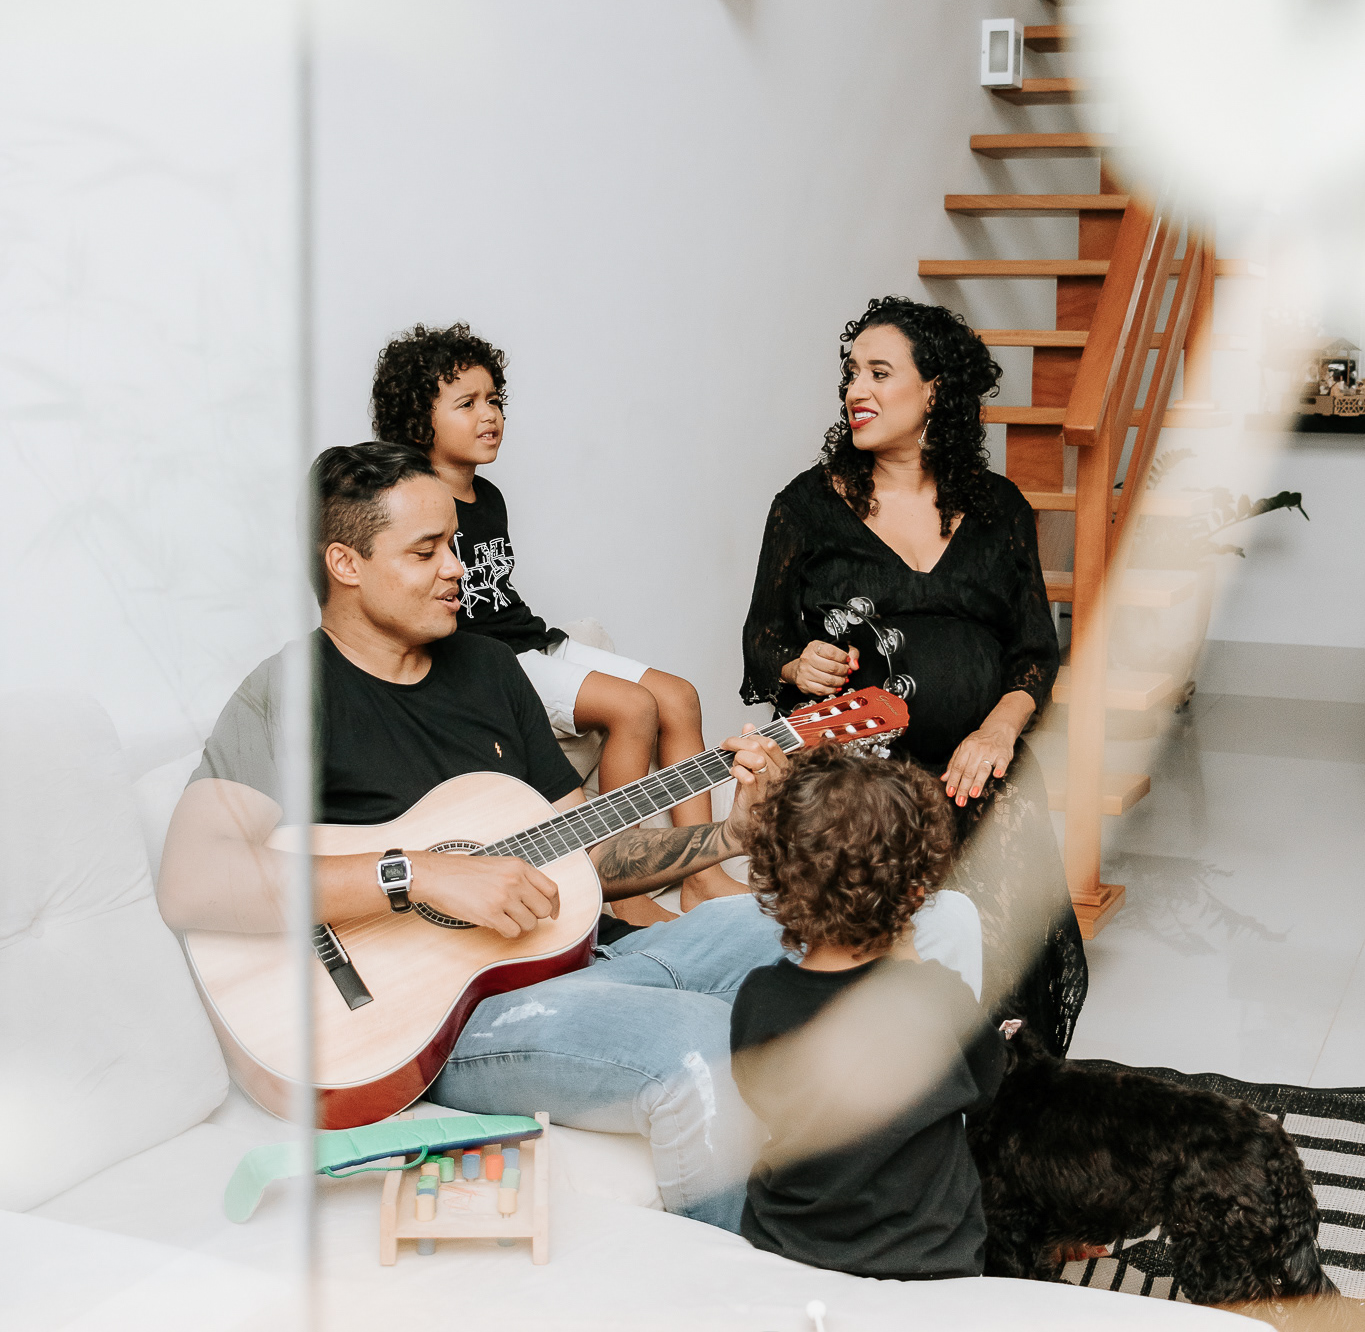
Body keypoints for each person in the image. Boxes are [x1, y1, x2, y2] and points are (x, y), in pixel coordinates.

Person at [157, 441, 982, 1230]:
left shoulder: (487, 669)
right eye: (426, 551)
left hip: (602, 955)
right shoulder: (289, 695)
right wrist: (418, 874)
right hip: (453, 1022)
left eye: (454, 544)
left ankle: (932, 1223)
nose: (458, 569)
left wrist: (727, 837)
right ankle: (756, 1296)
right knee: (698, 1045)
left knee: (932, 919)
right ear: (346, 563)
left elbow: (583, 854)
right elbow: (194, 880)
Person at [740, 294, 1087, 1055]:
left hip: (974, 769)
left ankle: (998, 1082)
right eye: (850, 373)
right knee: (881, 967)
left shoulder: (998, 508)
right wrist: (799, 662)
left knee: (1002, 964)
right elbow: (763, 642)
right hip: (858, 779)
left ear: (933, 390)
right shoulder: (806, 506)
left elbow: (1035, 651)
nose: (854, 390)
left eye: (877, 372)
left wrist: (996, 734)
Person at [370, 323, 740, 920]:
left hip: (534, 641)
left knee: (679, 695)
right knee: (633, 708)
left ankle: (703, 875)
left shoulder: (489, 496)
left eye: (494, 400)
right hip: (491, 661)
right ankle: (623, 892)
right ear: (419, 421)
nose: (489, 415)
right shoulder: (415, 506)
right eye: (467, 403)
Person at [731, 746, 1004, 1279]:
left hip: (786, 1246)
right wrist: (916, 963)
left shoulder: (759, 995)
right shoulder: (937, 997)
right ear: (915, 894)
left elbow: (758, 1095)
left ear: (780, 882)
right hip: (926, 1258)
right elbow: (988, 1084)